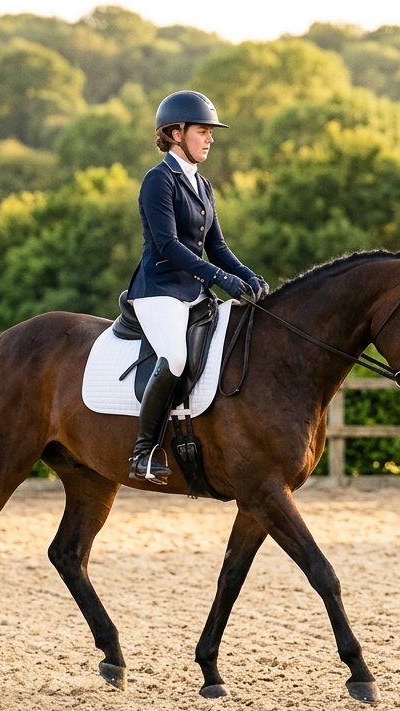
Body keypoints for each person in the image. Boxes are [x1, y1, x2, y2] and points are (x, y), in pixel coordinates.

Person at [125, 90, 269, 483]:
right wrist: (221, 279)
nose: (210, 139)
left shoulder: (202, 185)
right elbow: (168, 246)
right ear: (175, 133)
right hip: (159, 290)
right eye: (202, 131)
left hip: (194, 292)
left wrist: (246, 274)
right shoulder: (159, 181)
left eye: (210, 132)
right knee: (173, 358)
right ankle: (143, 451)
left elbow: (216, 246)